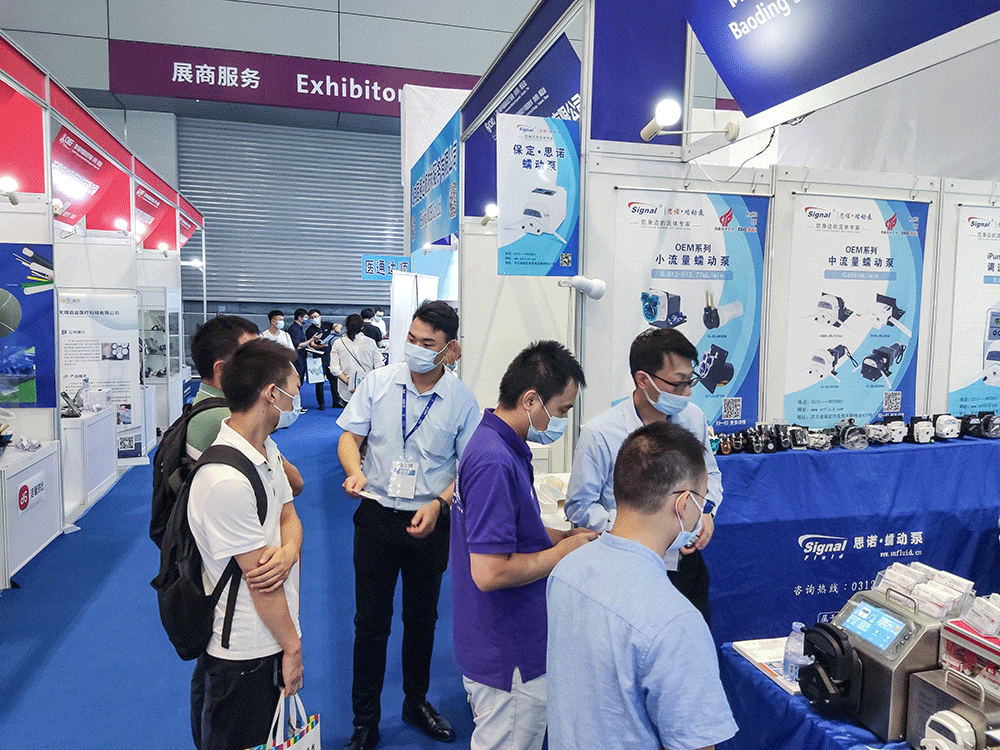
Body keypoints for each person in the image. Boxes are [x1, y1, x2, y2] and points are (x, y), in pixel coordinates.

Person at [336, 300, 480, 750]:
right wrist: (353, 471)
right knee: (370, 625)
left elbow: (468, 468)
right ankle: (365, 722)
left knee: (422, 620)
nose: (416, 348)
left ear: (449, 349)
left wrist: (440, 503)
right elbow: (350, 436)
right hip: (376, 517)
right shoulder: (378, 383)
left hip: (429, 522)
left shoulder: (462, 401)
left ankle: (415, 703)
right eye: (412, 339)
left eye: (428, 344)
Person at [546, 422, 737, 750]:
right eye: (702, 503)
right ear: (683, 504)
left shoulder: (567, 569)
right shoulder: (675, 621)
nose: (701, 514)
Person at [451, 341, 597, 750]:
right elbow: (489, 571)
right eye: (562, 410)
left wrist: (560, 538)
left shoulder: (498, 444)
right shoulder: (494, 461)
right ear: (531, 400)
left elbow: (512, 529)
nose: (563, 420)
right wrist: (561, 554)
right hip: (508, 649)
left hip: (499, 634)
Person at [187, 339, 306, 750]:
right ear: (271, 394)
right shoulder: (225, 481)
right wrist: (293, 649)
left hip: (270, 636)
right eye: (293, 390)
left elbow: (289, 516)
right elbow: (261, 583)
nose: (296, 399)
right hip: (243, 651)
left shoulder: (266, 448)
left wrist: (288, 553)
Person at [564, 327, 721, 621]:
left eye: (690, 382)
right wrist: (638, 529)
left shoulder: (693, 417)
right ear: (643, 380)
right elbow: (579, 506)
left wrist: (705, 512)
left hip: (683, 563)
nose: (687, 393)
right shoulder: (601, 434)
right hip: (624, 567)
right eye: (678, 384)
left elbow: (710, 474)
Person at [187, 315, 304, 496]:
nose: (266, 362)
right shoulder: (227, 420)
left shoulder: (206, 403)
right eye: (252, 355)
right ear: (222, 369)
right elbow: (294, 483)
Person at [330, 313, 384, 405]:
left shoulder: (338, 343)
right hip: (367, 386)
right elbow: (379, 365)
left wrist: (349, 382)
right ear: (362, 327)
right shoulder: (370, 342)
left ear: (346, 326)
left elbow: (334, 368)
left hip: (346, 388)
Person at [304, 308, 342, 410]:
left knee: (333, 379)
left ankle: (336, 401)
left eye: (316, 316)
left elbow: (337, 325)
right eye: (312, 317)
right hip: (318, 356)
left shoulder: (326, 325)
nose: (315, 319)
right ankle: (321, 403)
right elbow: (312, 344)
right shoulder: (310, 330)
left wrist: (337, 328)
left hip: (329, 356)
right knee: (319, 381)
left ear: (320, 316)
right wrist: (321, 345)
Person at [286, 308, 318, 385]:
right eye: (306, 317)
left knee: (300, 380)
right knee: (297, 381)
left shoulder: (299, 328)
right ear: (300, 318)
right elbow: (298, 346)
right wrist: (312, 339)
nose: (307, 319)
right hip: (297, 359)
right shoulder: (294, 329)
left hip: (302, 357)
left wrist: (308, 348)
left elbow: (302, 343)